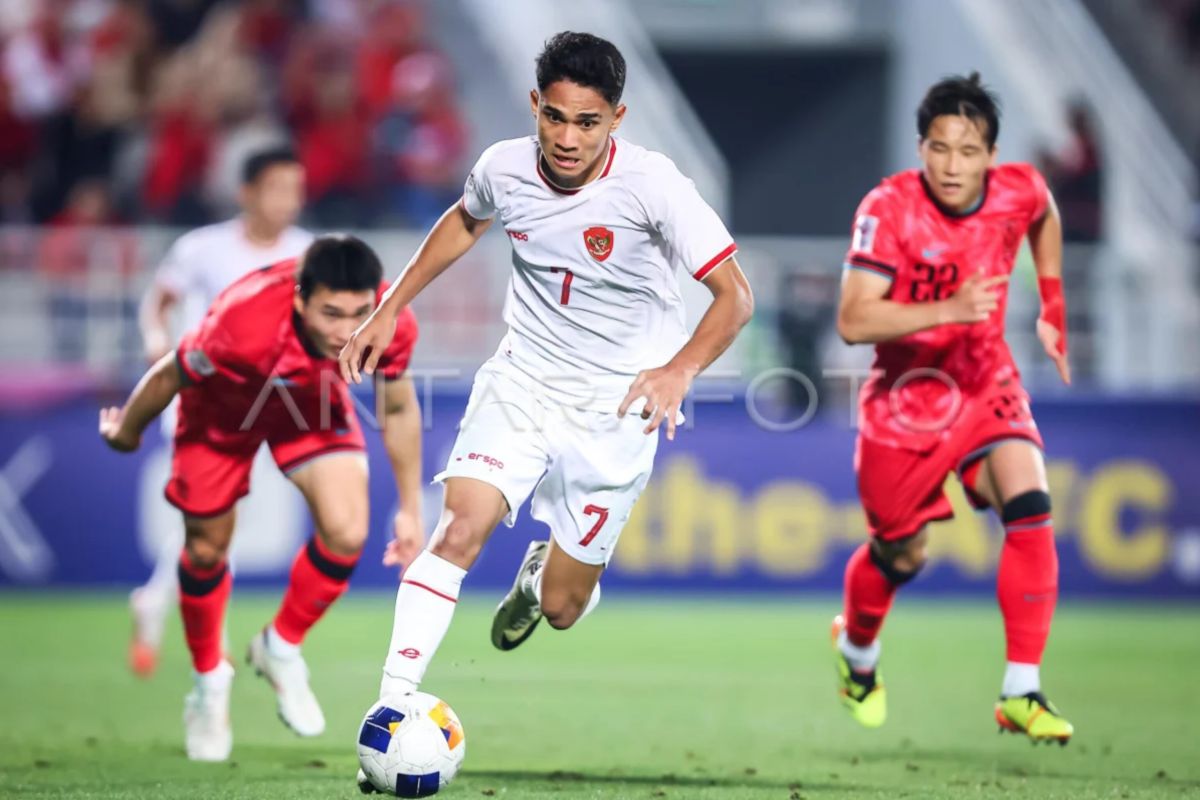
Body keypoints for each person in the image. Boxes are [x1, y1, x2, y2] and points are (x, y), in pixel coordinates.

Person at [337, 30, 753, 789]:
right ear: (535, 104)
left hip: (620, 407)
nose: (567, 139)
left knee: (564, 607)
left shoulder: (654, 186)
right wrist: (391, 307)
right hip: (524, 379)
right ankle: (393, 707)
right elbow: (466, 218)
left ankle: (537, 579)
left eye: (586, 123)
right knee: (461, 525)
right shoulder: (502, 166)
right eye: (555, 118)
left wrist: (677, 370)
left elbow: (736, 297)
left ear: (616, 119)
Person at [101, 235, 424, 762]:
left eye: (359, 313)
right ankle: (209, 684)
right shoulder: (241, 322)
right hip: (220, 414)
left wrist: (409, 508)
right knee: (206, 550)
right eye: (331, 314)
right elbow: (170, 374)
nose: (347, 331)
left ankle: (280, 645)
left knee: (347, 531)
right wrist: (128, 431)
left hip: (310, 403)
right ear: (300, 299)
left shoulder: (391, 321)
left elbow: (397, 409)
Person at [832, 73, 1073, 743]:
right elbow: (852, 320)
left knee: (1030, 505)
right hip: (904, 403)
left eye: (968, 152)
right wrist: (951, 308)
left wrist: (1052, 303)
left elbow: (1045, 209)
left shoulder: (1018, 189)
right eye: (939, 149)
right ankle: (856, 654)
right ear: (921, 148)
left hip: (984, 381)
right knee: (902, 557)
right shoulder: (890, 208)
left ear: (992, 157)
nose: (952, 165)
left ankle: (1021, 690)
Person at [129, 146, 312, 678]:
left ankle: (157, 599)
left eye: (296, 190)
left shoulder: (308, 252)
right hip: (203, 396)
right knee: (219, 518)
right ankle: (209, 638)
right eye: (278, 188)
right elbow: (158, 300)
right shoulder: (202, 249)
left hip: (271, 400)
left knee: (217, 521)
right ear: (247, 192)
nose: (288, 201)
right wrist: (155, 339)